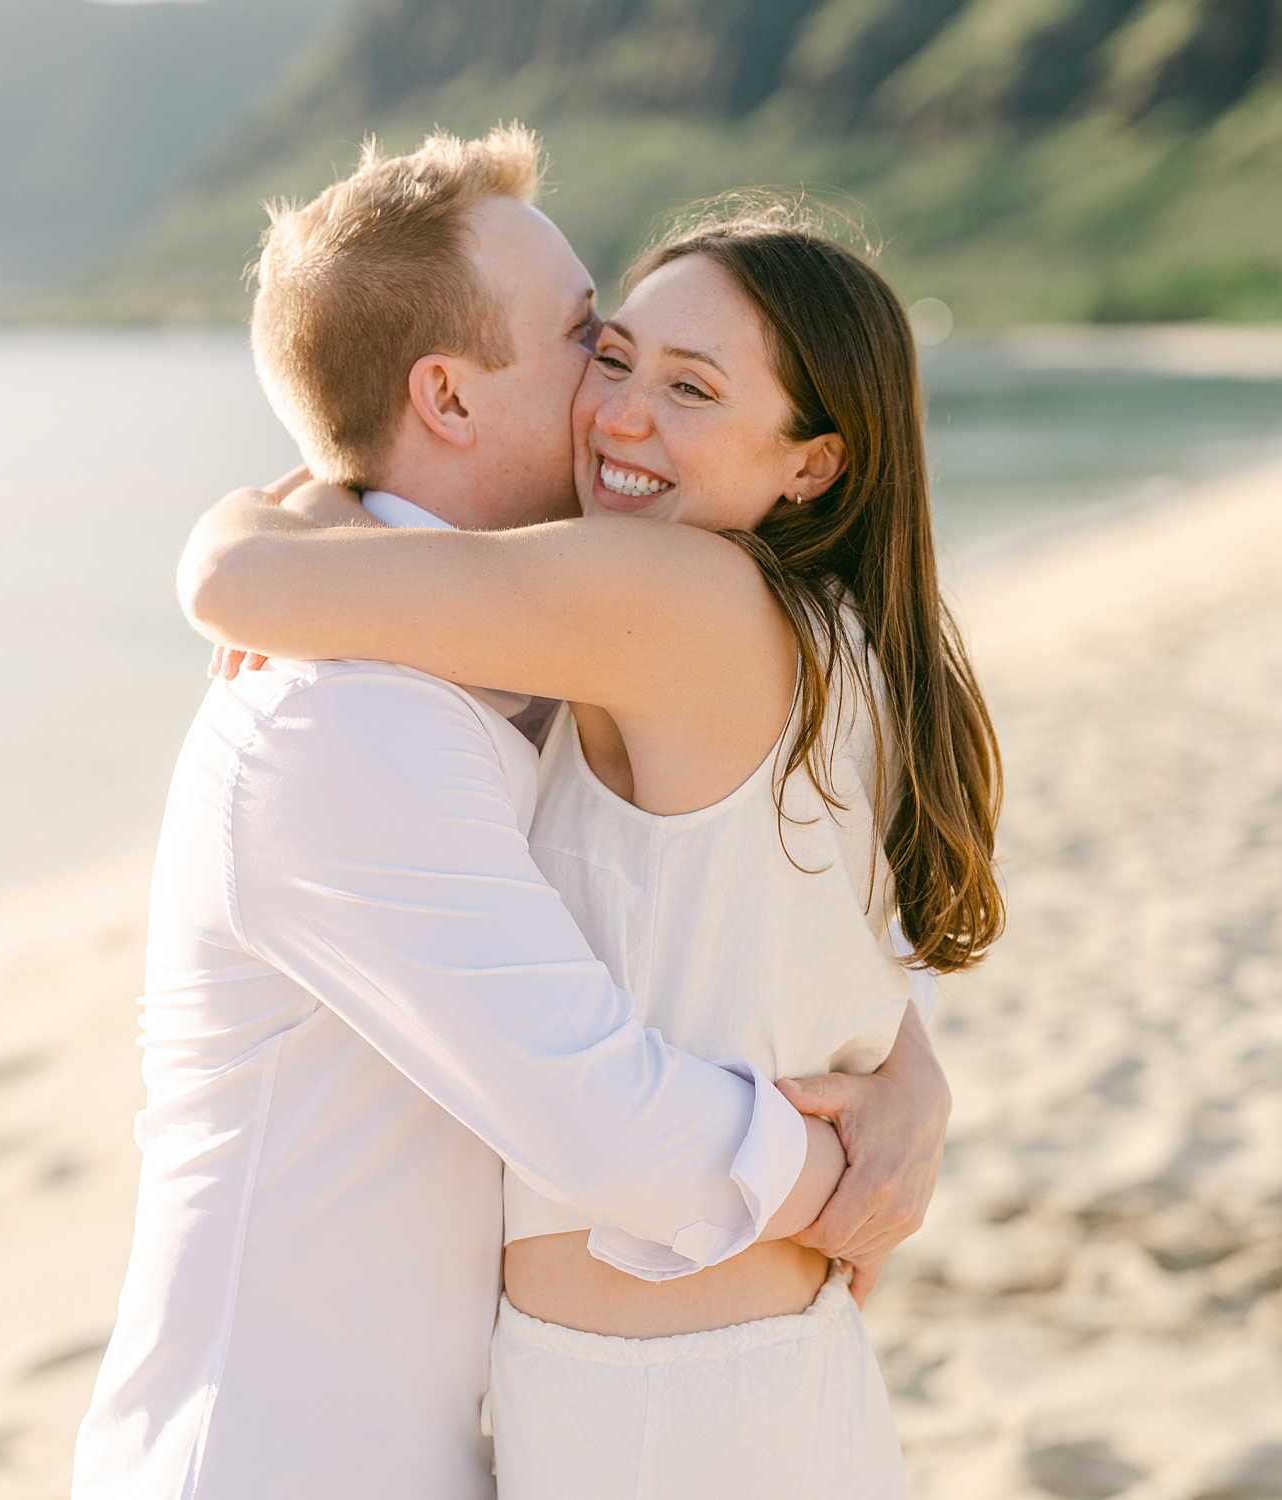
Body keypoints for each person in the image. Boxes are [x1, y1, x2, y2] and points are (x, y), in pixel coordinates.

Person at [74, 128, 955, 1500]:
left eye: (666, 372)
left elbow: (735, 919)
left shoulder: (571, 656)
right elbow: (606, 1118)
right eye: (594, 344)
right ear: (446, 394)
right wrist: (845, 1181)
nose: (617, 400)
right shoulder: (344, 717)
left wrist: (907, 1072)